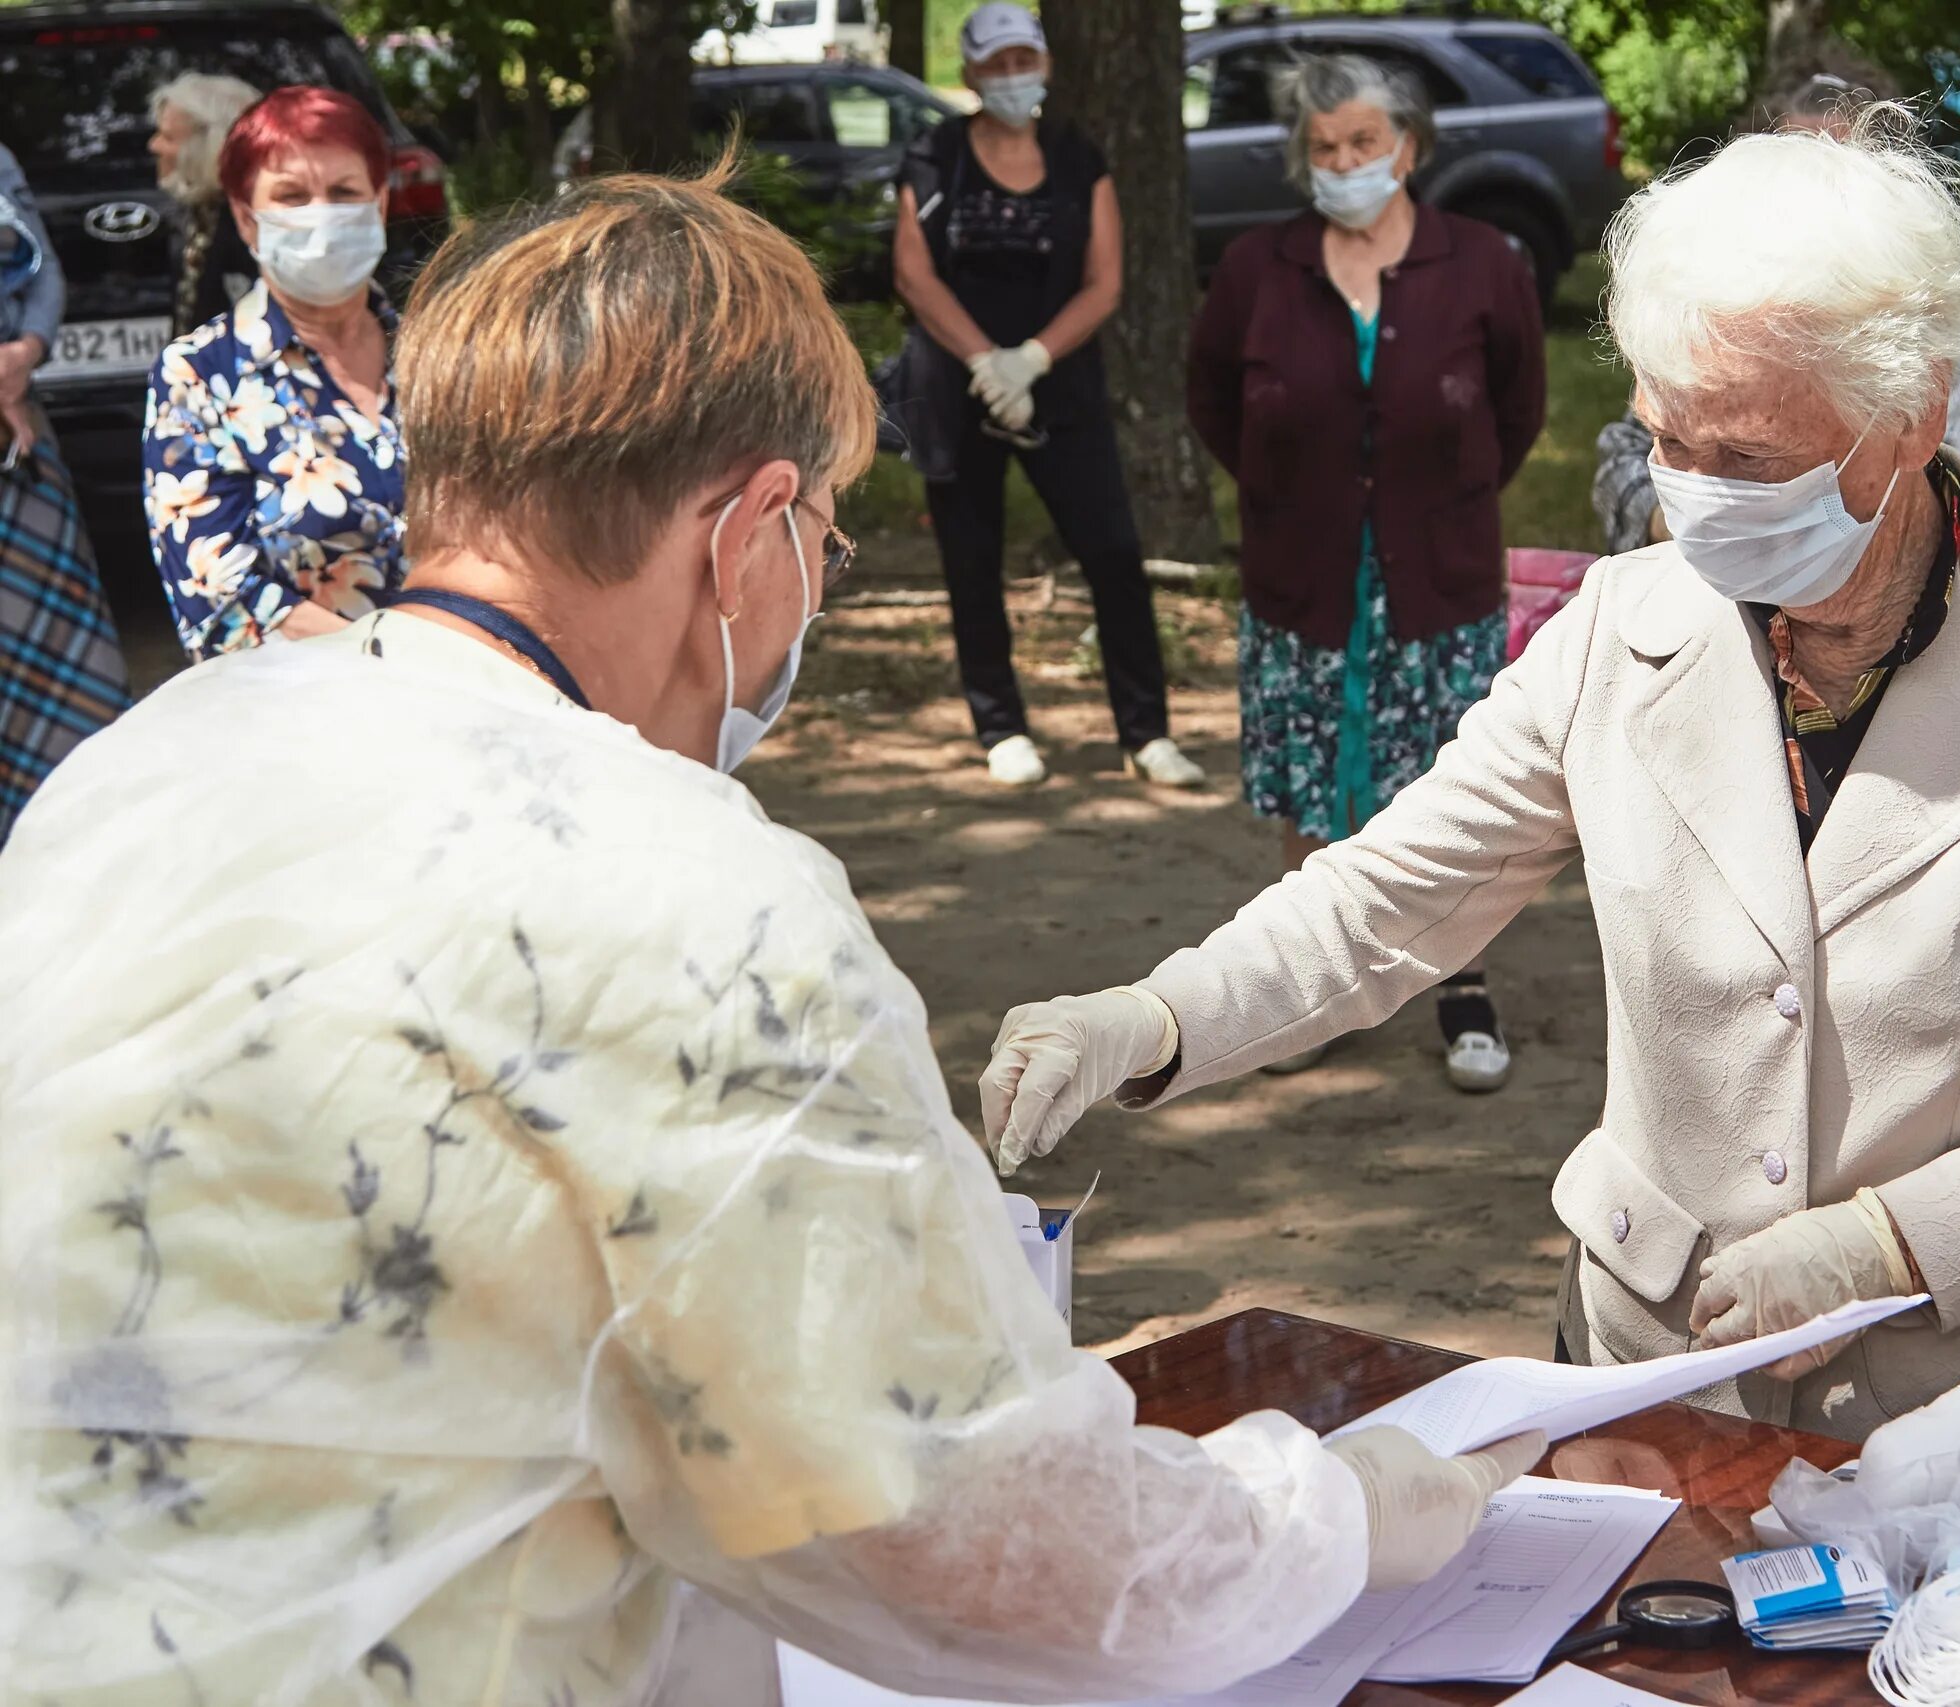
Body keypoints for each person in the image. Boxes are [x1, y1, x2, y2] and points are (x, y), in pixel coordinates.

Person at [0, 162, 1540, 1703]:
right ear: (749, 531)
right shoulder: (690, 898)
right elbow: (988, 1538)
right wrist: (1342, 1509)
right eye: (825, 545)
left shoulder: (150, 759)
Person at [983, 111, 1960, 1442]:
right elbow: (1390, 896)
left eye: (1749, 459)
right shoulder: (1620, 624)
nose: (1694, 496)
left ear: (1907, 416)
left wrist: (1891, 1241)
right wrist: (1152, 1016)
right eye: (1668, 440)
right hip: (1646, 1370)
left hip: (1952, 1405)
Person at [1187, 53, 1545, 1093]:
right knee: (1313, 788)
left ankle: (1461, 979)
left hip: (1436, 577)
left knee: (1447, 790)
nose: (1343, 163)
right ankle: (1318, 987)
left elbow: (1517, 409)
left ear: (1408, 149)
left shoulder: (1480, 261)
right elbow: (1213, 396)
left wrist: (1439, 499)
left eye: (1362, 143)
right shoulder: (1261, 269)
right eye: (1323, 147)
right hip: (1302, 575)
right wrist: (1287, 493)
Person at [891, 0, 1202, 791]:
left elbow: (1105, 283)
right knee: (971, 559)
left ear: (1046, 64)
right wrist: (984, 365)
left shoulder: (1077, 159)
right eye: (995, 63)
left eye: (1023, 59)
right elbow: (913, 273)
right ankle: (1001, 726)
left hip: (1059, 390)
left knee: (1113, 555)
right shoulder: (935, 156)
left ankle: (1147, 732)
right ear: (969, 74)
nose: (1011, 76)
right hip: (959, 390)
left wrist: (1029, 361)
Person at [1591, 68, 1960, 555]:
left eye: (1834, 161)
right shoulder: (1710, 296)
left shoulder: (1953, 306)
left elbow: (1952, 464)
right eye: (1788, 157)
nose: (1804, 187)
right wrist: (1690, 525)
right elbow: (1628, 450)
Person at [144, 85, 404, 662]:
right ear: (247, 219)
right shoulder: (201, 374)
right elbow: (217, 596)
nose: (321, 218)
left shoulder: (441, 353)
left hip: (469, 696)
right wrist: (391, 659)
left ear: (379, 205)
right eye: (291, 197)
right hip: (299, 713)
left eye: (343, 193)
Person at [0, 142, 128, 846]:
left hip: (15, 451)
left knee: (74, 688)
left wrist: (25, 353)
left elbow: (43, 275)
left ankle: (65, 868)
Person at [148, 70, 264, 334]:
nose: (154, 146)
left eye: (168, 137)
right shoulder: (197, 213)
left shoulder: (257, 227)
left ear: (212, 146)